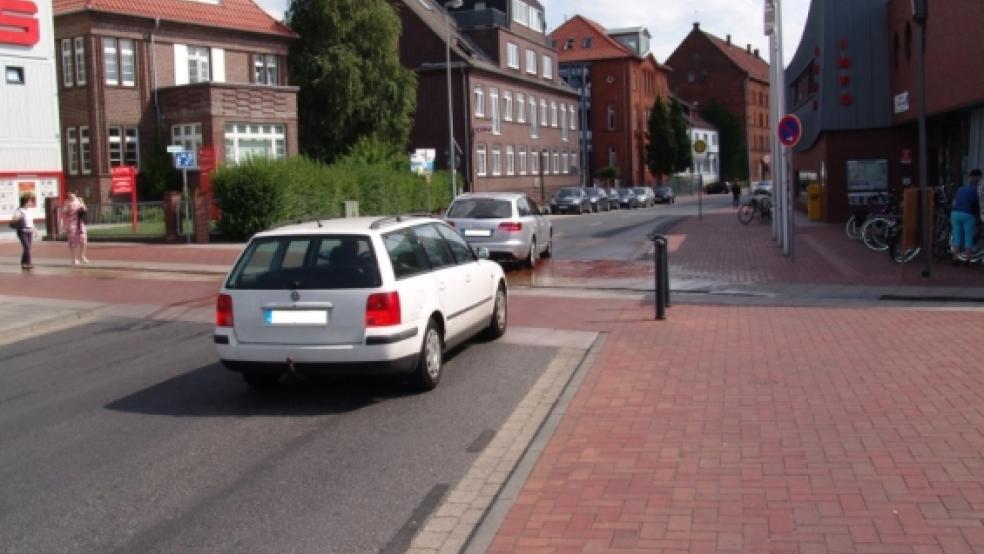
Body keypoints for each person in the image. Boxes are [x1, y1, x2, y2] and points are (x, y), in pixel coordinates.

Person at [950, 169, 982, 262]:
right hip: (968, 214)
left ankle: (955, 259)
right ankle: (967, 261)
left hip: (955, 213)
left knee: (957, 237)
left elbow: (954, 203)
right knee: (969, 237)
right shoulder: (977, 190)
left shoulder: (961, 188)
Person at [10, 193, 36, 270]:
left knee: (27, 248)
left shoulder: (29, 211)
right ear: (25, 202)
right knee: (27, 247)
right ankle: (28, 263)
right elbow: (14, 219)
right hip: (22, 231)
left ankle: (23, 262)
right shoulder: (19, 210)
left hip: (29, 231)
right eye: (30, 201)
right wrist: (19, 217)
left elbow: (31, 221)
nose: (31, 203)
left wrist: (35, 229)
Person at [62, 192, 89, 264]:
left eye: (71, 194)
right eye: (69, 194)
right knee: (72, 240)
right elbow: (64, 211)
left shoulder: (80, 200)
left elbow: (85, 209)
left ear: (75, 194)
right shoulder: (67, 202)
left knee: (83, 239)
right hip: (72, 223)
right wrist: (68, 208)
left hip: (80, 223)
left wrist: (82, 208)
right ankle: (73, 259)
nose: (70, 195)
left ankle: (82, 256)